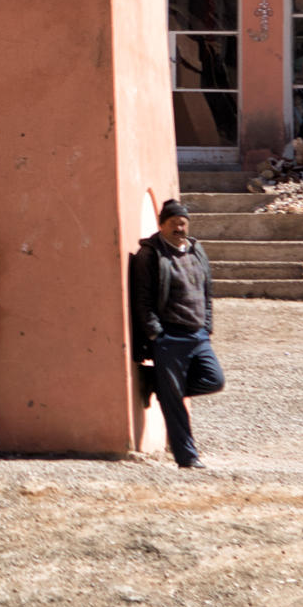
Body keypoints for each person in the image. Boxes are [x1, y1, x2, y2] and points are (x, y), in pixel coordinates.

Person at [130, 199, 225, 468]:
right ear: (161, 225)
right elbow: (143, 299)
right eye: (173, 223)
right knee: (173, 403)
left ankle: (157, 383)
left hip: (197, 335)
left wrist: (207, 326)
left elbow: (207, 290)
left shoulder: (196, 250)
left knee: (214, 379)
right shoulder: (151, 255)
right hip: (169, 337)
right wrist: (156, 334)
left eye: (182, 223)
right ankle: (187, 457)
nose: (179, 228)